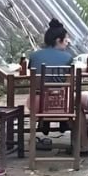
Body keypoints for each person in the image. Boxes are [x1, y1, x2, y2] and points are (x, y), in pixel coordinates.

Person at [27, 19, 74, 150]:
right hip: (60, 103)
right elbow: (68, 81)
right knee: (66, 95)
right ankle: (75, 137)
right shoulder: (67, 57)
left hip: (36, 102)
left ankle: (43, 124)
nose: (67, 43)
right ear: (58, 40)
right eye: (66, 40)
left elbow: (32, 77)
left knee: (44, 92)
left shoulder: (34, 55)